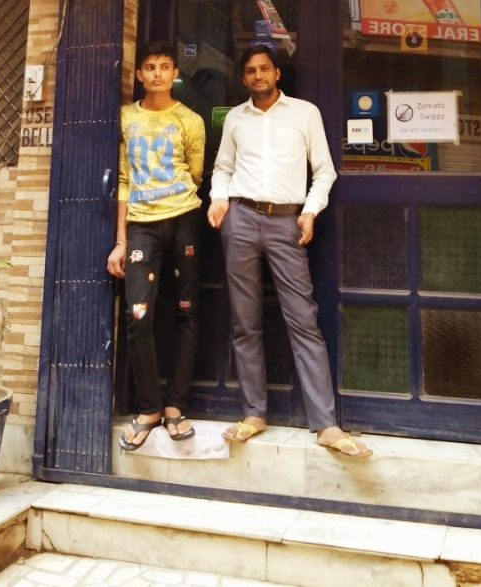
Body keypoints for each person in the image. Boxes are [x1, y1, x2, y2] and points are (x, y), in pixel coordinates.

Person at [207, 44, 372, 460]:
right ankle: (253, 414)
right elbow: (223, 168)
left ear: (277, 73)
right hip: (240, 219)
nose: (258, 76)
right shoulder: (236, 119)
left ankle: (326, 424)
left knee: (303, 320)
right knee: (245, 321)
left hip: (287, 222)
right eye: (250, 71)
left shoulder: (304, 113)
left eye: (264, 69)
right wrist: (219, 199)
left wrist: (310, 211)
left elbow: (325, 170)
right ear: (244, 77)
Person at [108, 41, 206, 449]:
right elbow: (124, 180)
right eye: (150, 67)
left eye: (165, 67)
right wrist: (121, 240)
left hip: (184, 219)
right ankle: (149, 406)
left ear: (174, 73)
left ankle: (175, 405)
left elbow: (195, 174)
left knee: (187, 311)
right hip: (141, 226)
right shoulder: (125, 117)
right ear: (139, 75)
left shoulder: (191, 120)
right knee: (138, 315)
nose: (158, 74)